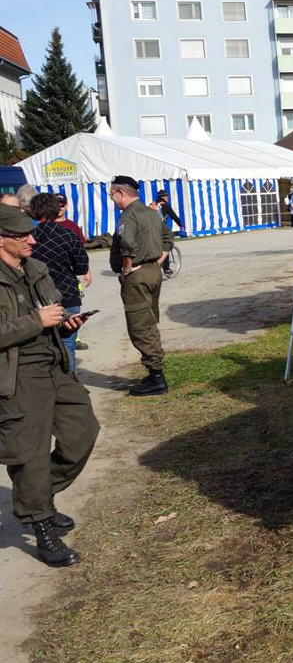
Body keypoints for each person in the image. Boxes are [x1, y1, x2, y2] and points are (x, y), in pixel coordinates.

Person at [0, 203, 98, 567]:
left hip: (54, 364)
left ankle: (39, 496)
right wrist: (35, 321)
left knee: (82, 432)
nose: (31, 239)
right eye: (22, 235)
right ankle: (41, 526)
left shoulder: (36, 268)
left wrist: (64, 323)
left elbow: (50, 311)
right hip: (17, 374)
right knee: (30, 454)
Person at [109, 176, 168, 396]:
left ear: (120, 193)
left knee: (140, 325)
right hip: (152, 271)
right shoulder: (151, 213)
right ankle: (155, 372)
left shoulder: (129, 215)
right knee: (149, 321)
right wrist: (158, 260)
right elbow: (167, 237)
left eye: (112, 195)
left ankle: (157, 378)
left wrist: (126, 268)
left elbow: (127, 243)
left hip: (137, 275)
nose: (112, 200)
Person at [29, 194, 91, 372]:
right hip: (67, 293)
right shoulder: (68, 234)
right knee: (67, 342)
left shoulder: (27, 237)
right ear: (56, 209)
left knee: (40, 344)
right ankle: (69, 383)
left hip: (37, 297)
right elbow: (81, 267)